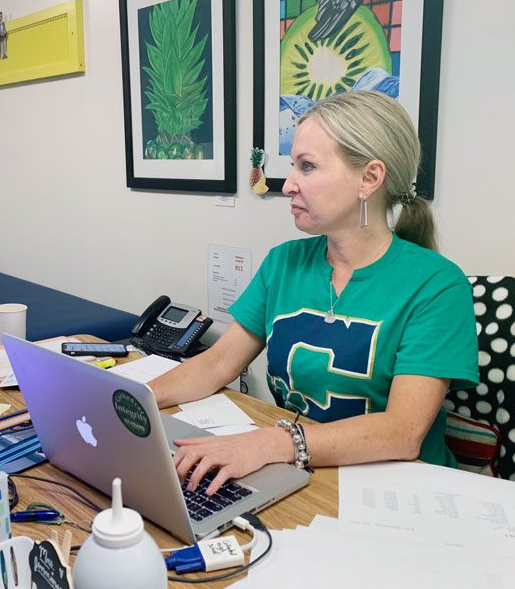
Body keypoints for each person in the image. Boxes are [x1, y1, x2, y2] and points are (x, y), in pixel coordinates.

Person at [150, 90, 479, 496]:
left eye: (307, 167)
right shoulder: (283, 263)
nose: (287, 184)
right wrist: (135, 398)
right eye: (292, 166)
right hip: (299, 475)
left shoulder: (438, 286)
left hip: (395, 492)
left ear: (369, 179)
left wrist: (274, 442)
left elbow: (402, 432)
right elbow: (218, 363)